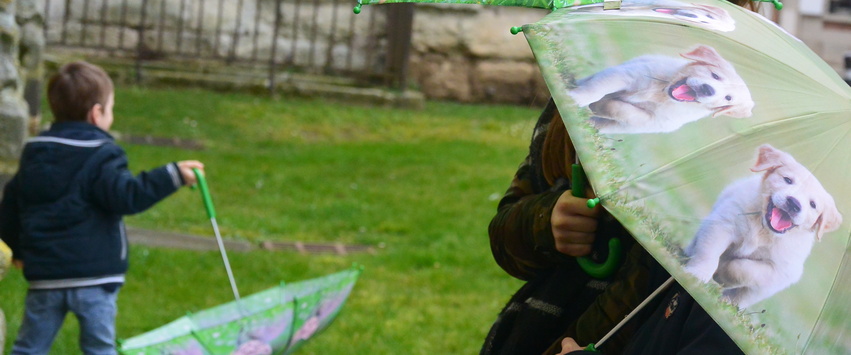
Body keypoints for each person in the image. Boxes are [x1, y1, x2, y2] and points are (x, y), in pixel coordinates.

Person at [481, 94, 752, 353]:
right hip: (534, 330)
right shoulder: (577, 95)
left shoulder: (724, 140)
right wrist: (543, 219)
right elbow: (504, 238)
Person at [0, 61, 205, 354]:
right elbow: (128, 196)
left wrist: (16, 249)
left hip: (46, 275)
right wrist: (172, 175)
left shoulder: (36, 151)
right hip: (95, 277)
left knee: (29, 347)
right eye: (111, 108)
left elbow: (12, 200)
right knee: (99, 348)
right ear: (97, 114)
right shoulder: (102, 154)